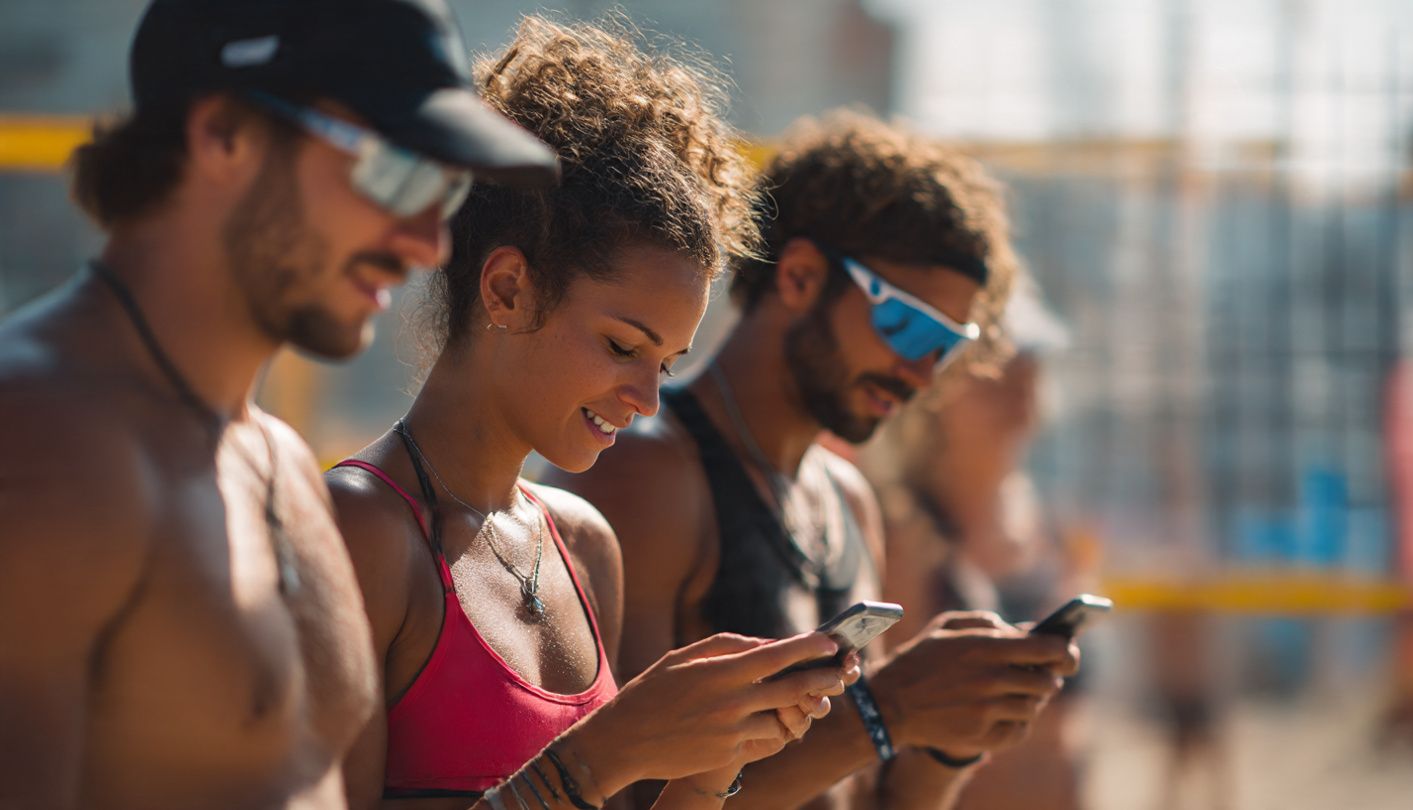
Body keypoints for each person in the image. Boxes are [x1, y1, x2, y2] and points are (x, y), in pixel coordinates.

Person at [0, 0, 561, 807]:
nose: (426, 240)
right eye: (395, 170)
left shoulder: (281, 464)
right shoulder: (49, 448)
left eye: (444, 189)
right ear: (225, 134)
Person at [325, 18, 853, 810]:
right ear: (506, 289)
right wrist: (601, 755)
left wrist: (708, 768)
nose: (647, 400)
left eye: (666, 363)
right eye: (620, 346)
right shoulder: (358, 529)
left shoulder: (580, 543)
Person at [547, 112, 1081, 809]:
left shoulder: (846, 498)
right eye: (907, 325)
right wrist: (888, 711)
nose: (920, 373)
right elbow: (630, 793)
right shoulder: (646, 473)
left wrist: (949, 734)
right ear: (799, 277)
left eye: (946, 346)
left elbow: (865, 795)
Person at [856, 279, 1088, 810]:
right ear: (936, 392)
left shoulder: (1048, 523)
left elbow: (1074, 730)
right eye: (996, 369)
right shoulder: (902, 533)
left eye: (1028, 367)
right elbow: (877, 732)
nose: (1018, 387)